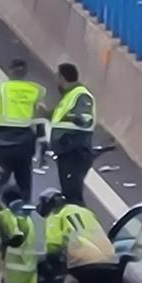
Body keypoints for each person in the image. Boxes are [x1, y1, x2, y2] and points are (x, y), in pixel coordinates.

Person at [0, 59, 46, 199]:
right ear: (25, 73)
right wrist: (43, 147)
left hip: (0, 145)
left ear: (9, 70)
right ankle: (24, 213)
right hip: (25, 147)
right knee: (24, 185)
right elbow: (40, 122)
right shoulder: (34, 91)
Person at [49, 63, 96, 205]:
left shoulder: (81, 95)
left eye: (57, 77)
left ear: (62, 77)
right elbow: (61, 120)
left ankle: (80, 223)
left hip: (75, 153)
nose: (55, 81)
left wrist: (65, 139)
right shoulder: (69, 96)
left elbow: (85, 119)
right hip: (66, 153)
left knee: (73, 195)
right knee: (69, 193)